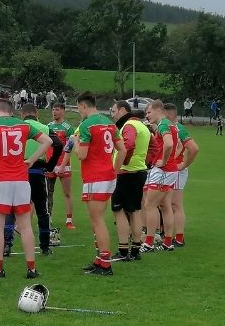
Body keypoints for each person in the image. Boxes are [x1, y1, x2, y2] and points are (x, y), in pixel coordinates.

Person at [0, 98, 52, 279]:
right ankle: (31, 269)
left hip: (0, 179)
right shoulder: (23, 125)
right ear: (12, 111)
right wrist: (31, 159)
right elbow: (47, 141)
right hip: (21, 179)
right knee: (25, 225)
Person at [72, 92, 126, 276]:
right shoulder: (110, 123)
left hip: (96, 177)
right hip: (107, 176)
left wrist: (76, 142)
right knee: (96, 220)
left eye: (78, 107)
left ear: (83, 105)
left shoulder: (86, 125)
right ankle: (99, 260)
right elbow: (123, 150)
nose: (79, 111)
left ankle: (105, 263)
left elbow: (82, 155)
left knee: (98, 220)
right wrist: (115, 170)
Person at [5, 103, 62, 256]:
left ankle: (6, 246)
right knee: (42, 210)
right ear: (36, 114)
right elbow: (58, 144)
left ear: (22, 114)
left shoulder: (16, 126)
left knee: (11, 210)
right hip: (37, 171)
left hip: (18, 172)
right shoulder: (44, 127)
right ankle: (44, 246)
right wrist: (50, 165)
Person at [109, 101, 152, 261]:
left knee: (118, 210)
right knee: (135, 211)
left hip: (127, 173)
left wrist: (120, 165)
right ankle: (135, 250)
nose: (112, 114)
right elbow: (153, 146)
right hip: (139, 171)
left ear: (122, 110)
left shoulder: (128, 126)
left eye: (113, 111)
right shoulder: (142, 126)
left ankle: (122, 250)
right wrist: (145, 162)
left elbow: (127, 145)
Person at [141, 100, 180, 253]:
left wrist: (163, 160)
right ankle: (168, 242)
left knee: (149, 205)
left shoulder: (163, 124)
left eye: (149, 112)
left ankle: (149, 243)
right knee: (165, 206)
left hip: (163, 170)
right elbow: (175, 144)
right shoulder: (169, 124)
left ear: (158, 110)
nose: (147, 115)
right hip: (171, 170)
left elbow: (169, 144)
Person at [165, 104, 199, 248]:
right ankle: (168, 234)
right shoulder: (168, 128)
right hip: (169, 170)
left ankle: (179, 238)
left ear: (169, 115)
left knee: (175, 204)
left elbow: (194, 148)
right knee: (167, 204)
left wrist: (184, 165)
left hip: (177, 170)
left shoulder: (179, 129)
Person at [46, 102, 75, 229]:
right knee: (48, 193)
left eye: (57, 109)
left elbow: (69, 146)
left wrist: (63, 165)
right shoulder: (48, 126)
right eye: (53, 109)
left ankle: (69, 220)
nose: (54, 112)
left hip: (64, 164)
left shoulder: (68, 127)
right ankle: (48, 219)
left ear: (63, 111)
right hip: (50, 164)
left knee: (67, 193)